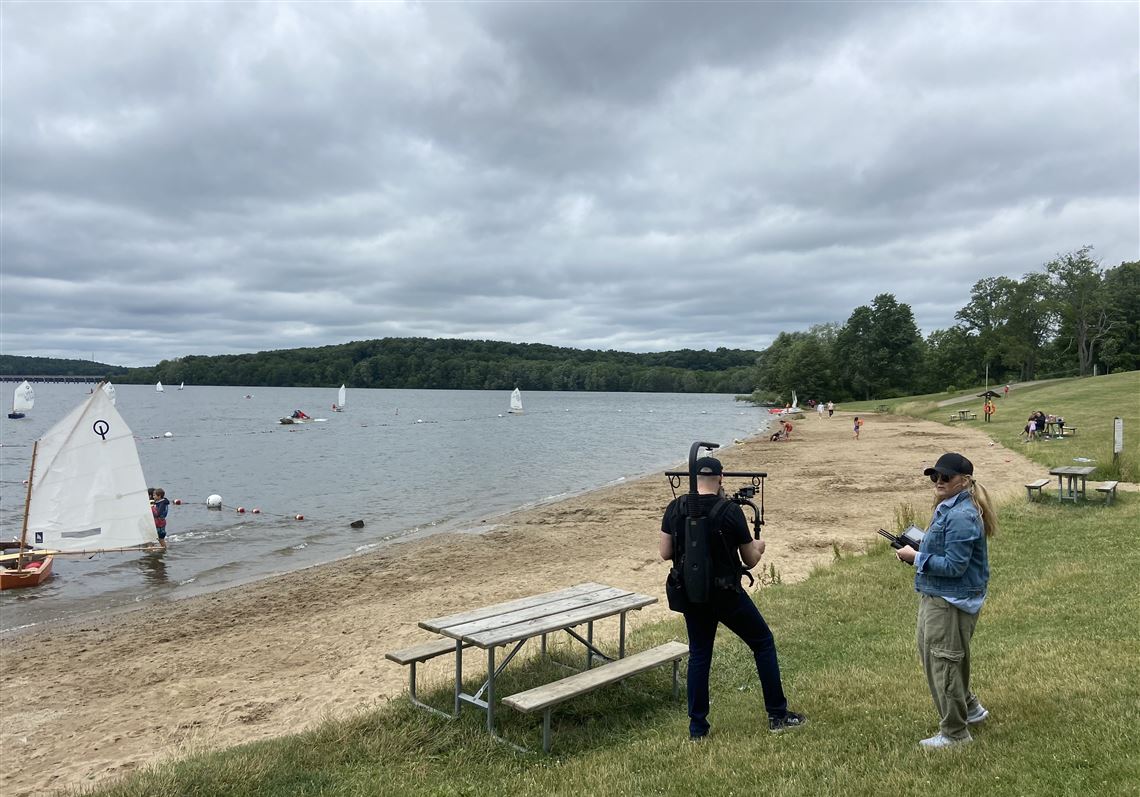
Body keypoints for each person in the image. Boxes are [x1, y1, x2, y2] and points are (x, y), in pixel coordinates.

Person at [659, 456, 805, 739]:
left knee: (700, 655)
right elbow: (749, 560)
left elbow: (665, 552)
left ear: (692, 478)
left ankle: (697, 729)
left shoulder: (675, 508)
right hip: (726, 594)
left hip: (691, 594)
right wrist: (759, 547)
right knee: (763, 642)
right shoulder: (729, 511)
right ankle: (777, 714)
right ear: (721, 478)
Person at [894, 452, 996, 749]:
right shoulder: (950, 506)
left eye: (945, 477)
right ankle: (971, 709)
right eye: (934, 476)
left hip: (951, 600)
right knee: (942, 657)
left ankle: (955, 733)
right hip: (939, 595)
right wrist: (922, 547)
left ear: (964, 481)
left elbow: (955, 566)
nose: (938, 481)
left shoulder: (962, 515)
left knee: (944, 663)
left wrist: (916, 558)